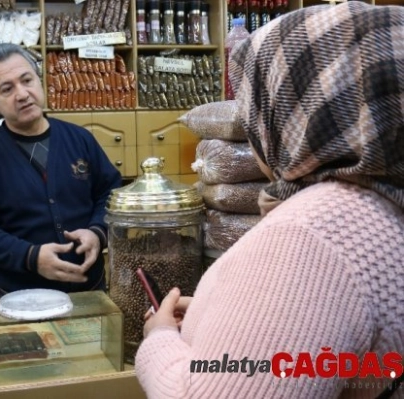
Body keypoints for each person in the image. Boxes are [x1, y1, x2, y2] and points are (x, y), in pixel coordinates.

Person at [137, 2, 404, 398]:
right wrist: (232, 317)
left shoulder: (312, 233)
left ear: (285, 107)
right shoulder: (385, 199)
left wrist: (158, 340)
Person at [0, 43, 123, 295]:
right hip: (21, 295)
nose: (22, 94)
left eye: (27, 80)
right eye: (7, 89)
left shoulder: (79, 139)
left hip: (90, 289)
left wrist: (97, 233)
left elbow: (110, 193)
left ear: (39, 81)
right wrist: (30, 256)